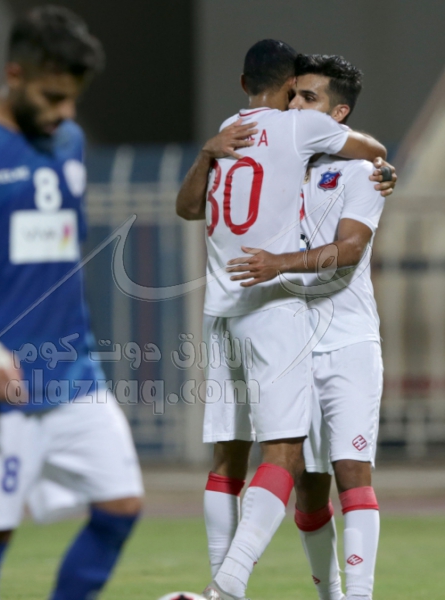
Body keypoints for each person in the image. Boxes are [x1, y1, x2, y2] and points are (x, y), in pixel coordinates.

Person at [0, 6, 143, 600]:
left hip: (70, 368)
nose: (65, 112)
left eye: (73, 99)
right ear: (14, 74)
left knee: (120, 505)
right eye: (52, 96)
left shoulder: (68, 141)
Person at [176, 39, 391, 600]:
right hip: (288, 329)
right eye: (294, 95)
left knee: (350, 472)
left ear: (337, 112)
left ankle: (354, 596)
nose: (295, 106)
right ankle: (326, 593)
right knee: (307, 488)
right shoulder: (287, 153)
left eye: (308, 98)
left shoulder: (361, 172)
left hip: (344, 336)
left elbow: (349, 250)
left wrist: (279, 263)